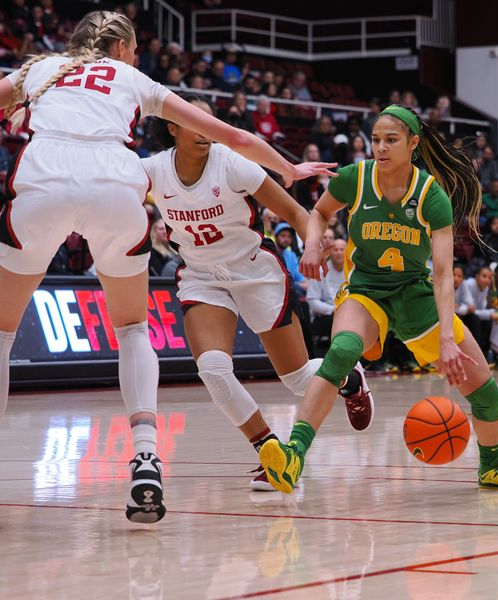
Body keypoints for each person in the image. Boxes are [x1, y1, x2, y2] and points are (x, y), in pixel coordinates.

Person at [0, 10, 334, 523]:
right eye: (133, 50)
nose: (135, 58)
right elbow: (235, 136)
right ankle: (146, 456)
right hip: (115, 182)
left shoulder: (39, 70)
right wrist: (290, 168)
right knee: (133, 326)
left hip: (43, 175)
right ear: (120, 49)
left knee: (1, 334)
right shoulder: (132, 78)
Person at [260, 104, 498, 493]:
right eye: (375, 140)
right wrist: (312, 244)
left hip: (414, 293)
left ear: (413, 144)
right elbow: (319, 213)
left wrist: (444, 337)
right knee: (340, 352)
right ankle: (293, 456)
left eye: (391, 140)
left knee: (486, 393)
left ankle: (491, 466)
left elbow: (442, 275)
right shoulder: (355, 179)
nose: (381, 148)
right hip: (365, 291)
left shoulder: (430, 195)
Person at [144, 97, 373, 492]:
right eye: (193, 121)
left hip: (254, 271)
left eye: (209, 121)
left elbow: (299, 215)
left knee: (299, 379)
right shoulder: (151, 171)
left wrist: (313, 245)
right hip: (202, 275)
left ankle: (350, 379)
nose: (204, 129)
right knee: (214, 370)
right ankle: (272, 452)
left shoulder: (231, 163)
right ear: (172, 127)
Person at [460, 265, 498, 368]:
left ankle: (494, 352)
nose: (487, 280)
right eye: (484, 276)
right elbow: (471, 310)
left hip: (473, 314)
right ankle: (476, 356)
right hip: (461, 315)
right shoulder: (468, 285)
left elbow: (480, 309)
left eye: (489, 277)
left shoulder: (485, 288)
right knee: (476, 320)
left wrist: (494, 313)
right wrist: (490, 314)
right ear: (477, 276)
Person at [307, 238, 346, 346]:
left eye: (342, 249)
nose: (338, 253)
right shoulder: (320, 270)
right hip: (326, 315)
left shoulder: (352, 272)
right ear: (329, 252)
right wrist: (332, 309)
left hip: (347, 312)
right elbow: (312, 300)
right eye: (335, 249)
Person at [274, 222, 308, 295]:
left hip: (291, 288)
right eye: (283, 236)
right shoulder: (270, 252)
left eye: (289, 236)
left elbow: (298, 276)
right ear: (276, 237)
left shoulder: (291, 255)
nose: (286, 239)